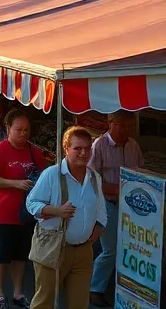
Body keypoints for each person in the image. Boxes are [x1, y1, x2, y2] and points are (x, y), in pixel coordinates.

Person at [26, 127, 105, 309]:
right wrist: (56, 210)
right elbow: (31, 204)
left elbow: (100, 209)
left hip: (83, 251)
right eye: (78, 148)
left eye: (87, 148)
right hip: (53, 247)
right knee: (44, 302)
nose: (83, 153)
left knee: (79, 304)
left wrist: (99, 227)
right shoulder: (52, 174)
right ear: (66, 149)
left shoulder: (94, 177)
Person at [0, 108, 49, 309]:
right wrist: (15, 183)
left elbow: (44, 176)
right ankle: (0, 294)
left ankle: (18, 292)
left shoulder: (34, 151)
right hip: (2, 214)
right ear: (9, 129)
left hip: (25, 215)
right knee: (1, 256)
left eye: (26, 130)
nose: (23, 134)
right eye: (19, 130)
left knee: (21, 256)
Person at [88, 110, 144, 307]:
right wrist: (120, 189)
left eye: (128, 126)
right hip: (106, 205)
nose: (124, 130)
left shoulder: (133, 146)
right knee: (110, 249)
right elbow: (92, 181)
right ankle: (94, 288)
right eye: (120, 125)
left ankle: (123, 287)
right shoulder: (99, 145)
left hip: (129, 207)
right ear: (110, 123)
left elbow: (140, 174)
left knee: (129, 247)